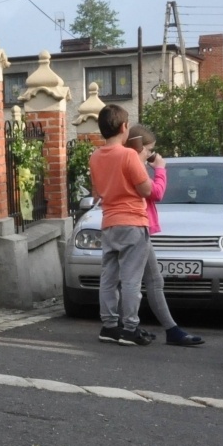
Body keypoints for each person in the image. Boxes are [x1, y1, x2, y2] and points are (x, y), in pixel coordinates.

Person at [126, 125, 205, 347]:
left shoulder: (131, 163)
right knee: (138, 281)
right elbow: (156, 193)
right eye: (149, 150)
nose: (152, 155)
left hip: (137, 225)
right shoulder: (135, 165)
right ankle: (132, 327)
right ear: (140, 147)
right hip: (138, 225)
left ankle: (170, 329)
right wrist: (160, 169)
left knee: (152, 280)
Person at [87, 104, 155, 346]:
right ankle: (130, 328)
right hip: (133, 222)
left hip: (109, 222)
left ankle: (109, 326)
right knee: (131, 279)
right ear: (124, 127)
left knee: (108, 277)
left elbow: (97, 191)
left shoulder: (94, 156)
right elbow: (146, 189)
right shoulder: (128, 155)